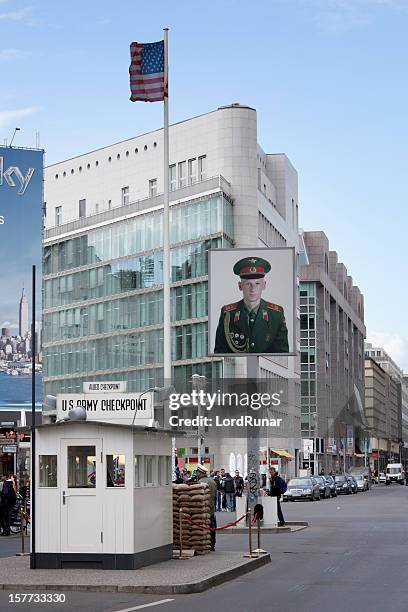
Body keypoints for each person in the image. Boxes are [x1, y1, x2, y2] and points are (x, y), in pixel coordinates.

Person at [214, 256, 289, 354]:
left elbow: (282, 352)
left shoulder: (276, 314)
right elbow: (220, 351)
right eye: (248, 284)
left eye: (257, 283)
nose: (252, 288)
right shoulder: (228, 313)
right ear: (240, 286)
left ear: (264, 285)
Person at [196, 464, 217, 551]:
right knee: (212, 526)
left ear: (200, 472)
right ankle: (212, 544)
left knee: (204, 527)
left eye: (197, 472)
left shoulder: (200, 482)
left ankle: (205, 545)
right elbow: (215, 495)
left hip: (203, 508)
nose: (196, 474)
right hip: (212, 508)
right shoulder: (212, 481)